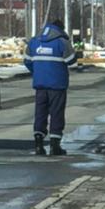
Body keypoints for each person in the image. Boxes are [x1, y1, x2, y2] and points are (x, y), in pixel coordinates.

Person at [24, 16, 77, 156]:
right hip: (57, 84)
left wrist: (39, 72)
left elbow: (27, 61)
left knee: (40, 113)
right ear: (61, 29)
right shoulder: (62, 42)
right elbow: (71, 60)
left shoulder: (34, 41)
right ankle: (55, 146)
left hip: (40, 85)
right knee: (56, 113)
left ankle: (38, 144)